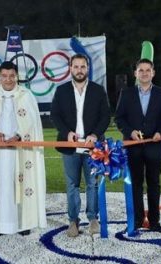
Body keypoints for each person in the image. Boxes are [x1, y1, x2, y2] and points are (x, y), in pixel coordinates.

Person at [0, 61, 46, 237]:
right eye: (4, 76)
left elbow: (33, 123)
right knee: (0, 185)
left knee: (20, 183)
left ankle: (22, 223)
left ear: (17, 76)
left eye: (11, 76)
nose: (8, 80)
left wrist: (19, 136)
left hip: (20, 150)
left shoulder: (26, 95)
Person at [51, 53, 110, 237]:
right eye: (75, 67)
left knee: (92, 183)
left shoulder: (98, 90)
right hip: (70, 147)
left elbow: (106, 116)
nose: (79, 70)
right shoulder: (61, 91)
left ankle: (93, 218)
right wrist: (66, 132)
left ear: (88, 68)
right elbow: (55, 115)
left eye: (82, 66)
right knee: (72, 184)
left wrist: (95, 134)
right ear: (70, 69)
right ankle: (73, 221)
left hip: (92, 148)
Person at [115, 58, 161, 233]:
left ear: (153, 73)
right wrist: (130, 131)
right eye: (141, 70)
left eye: (148, 70)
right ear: (135, 73)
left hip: (154, 145)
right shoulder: (126, 93)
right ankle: (138, 221)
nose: (145, 73)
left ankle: (154, 222)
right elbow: (119, 118)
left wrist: (160, 134)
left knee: (154, 184)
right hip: (133, 146)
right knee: (136, 184)